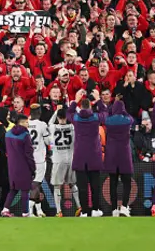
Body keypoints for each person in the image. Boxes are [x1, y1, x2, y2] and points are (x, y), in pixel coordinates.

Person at [66, 89, 102, 217]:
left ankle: (85, 211)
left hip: (80, 156)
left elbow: (68, 113)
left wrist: (75, 100)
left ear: (80, 107)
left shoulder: (76, 118)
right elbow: (105, 113)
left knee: (82, 186)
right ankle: (96, 209)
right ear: (91, 106)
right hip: (94, 155)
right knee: (95, 185)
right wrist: (98, 99)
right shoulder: (95, 118)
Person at [102, 97, 134, 217]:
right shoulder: (127, 120)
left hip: (112, 154)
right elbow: (131, 118)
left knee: (113, 183)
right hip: (124, 154)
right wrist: (123, 111)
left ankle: (114, 209)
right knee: (127, 182)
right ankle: (124, 207)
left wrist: (111, 110)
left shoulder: (108, 120)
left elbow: (106, 115)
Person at [1, 114, 35, 217]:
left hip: (11, 165)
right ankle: (25, 213)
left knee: (14, 189)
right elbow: (29, 153)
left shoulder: (8, 134)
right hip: (23, 165)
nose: (27, 124)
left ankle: (5, 209)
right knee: (25, 189)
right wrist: (33, 168)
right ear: (21, 122)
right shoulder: (25, 135)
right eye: (26, 122)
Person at [48, 108, 80, 217]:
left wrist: (56, 111)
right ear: (67, 117)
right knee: (72, 184)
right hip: (71, 159)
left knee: (57, 187)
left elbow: (50, 122)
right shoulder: (72, 127)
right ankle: (79, 206)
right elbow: (78, 119)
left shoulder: (53, 127)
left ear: (58, 117)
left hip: (58, 161)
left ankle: (59, 211)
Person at [27, 105, 50, 217]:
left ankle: (39, 210)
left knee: (35, 185)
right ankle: (29, 210)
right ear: (39, 113)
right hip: (39, 159)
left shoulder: (25, 123)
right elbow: (48, 141)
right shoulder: (42, 125)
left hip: (27, 159)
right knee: (36, 184)